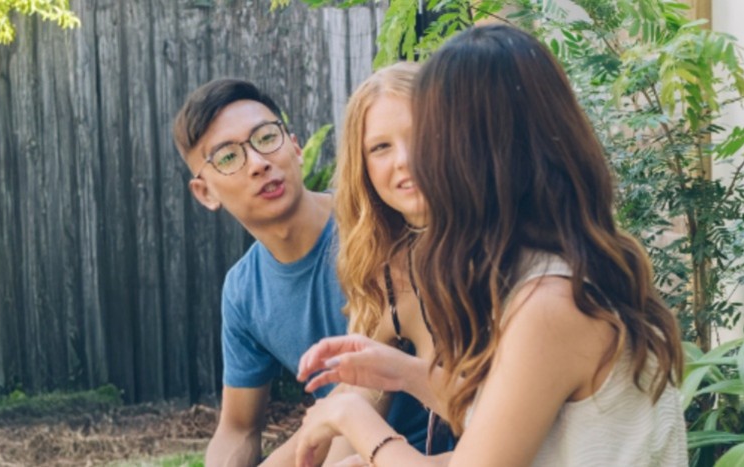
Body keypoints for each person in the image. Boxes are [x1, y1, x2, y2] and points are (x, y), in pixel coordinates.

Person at [294, 24, 687, 466]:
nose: (414, 160)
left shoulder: (552, 302)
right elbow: (504, 426)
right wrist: (402, 372)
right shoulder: (542, 269)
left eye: (430, 137)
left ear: (483, 153)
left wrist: (352, 417)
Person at [171, 78, 427, 466]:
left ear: (294, 146)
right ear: (205, 192)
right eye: (228, 157)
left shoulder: (379, 226)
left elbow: (363, 389)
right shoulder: (244, 291)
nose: (258, 163)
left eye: (266, 138)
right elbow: (238, 428)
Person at [330, 61, 452, 456]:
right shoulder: (391, 272)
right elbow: (350, 409)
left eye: (422, 135)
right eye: (381, 147)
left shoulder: (505, 256)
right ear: (362, 167)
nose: (404, 159)